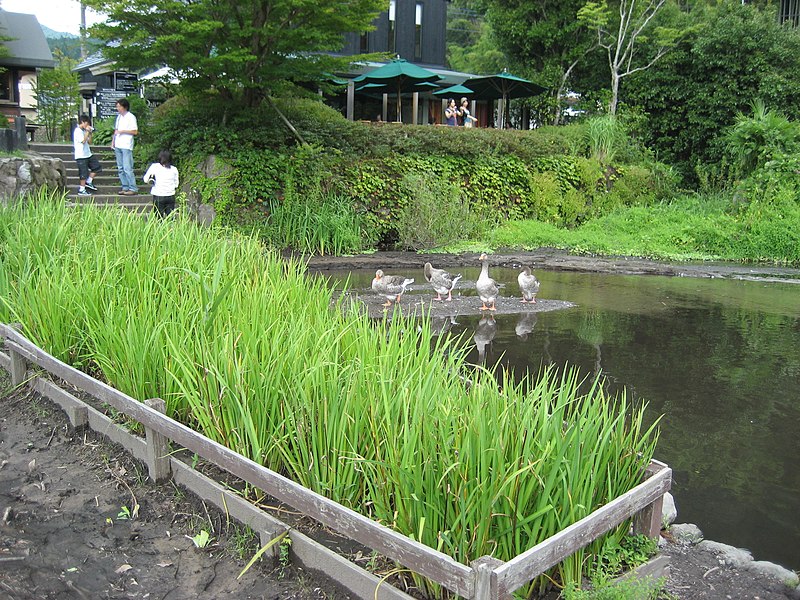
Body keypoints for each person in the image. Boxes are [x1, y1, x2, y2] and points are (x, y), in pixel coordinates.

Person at [112, 98, 139, 195]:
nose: (118, 108)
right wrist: (113, 141)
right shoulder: (119, 117)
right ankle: (125, 186)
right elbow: (116, 130)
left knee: (127, 167)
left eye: (119, 106)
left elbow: (135, 131)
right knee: (120, 168)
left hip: (126, 145)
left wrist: (122, 131)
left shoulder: (131, 117)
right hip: (118, 144)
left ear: (125, 107)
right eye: (117, 106)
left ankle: (133, 188)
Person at [143, 150, 180, 218]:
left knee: (159, 217)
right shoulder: (174, 169)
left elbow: (145, 180)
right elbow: (176, 184)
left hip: (158, 195)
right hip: (170, 196)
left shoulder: (154, 167)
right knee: (170, 218)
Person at [73, 114, 102, 196]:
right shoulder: (77, 131)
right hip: (81, 155)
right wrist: (87, 132)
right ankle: (81, 189)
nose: (88, 125)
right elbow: (82, 141)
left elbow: (89, 142)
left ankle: (89, 182)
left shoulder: (84, 131)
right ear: (82, 122)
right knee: (83, 173)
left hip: (88, 154)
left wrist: (90, 133)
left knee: (97, 167)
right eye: (87, 123)